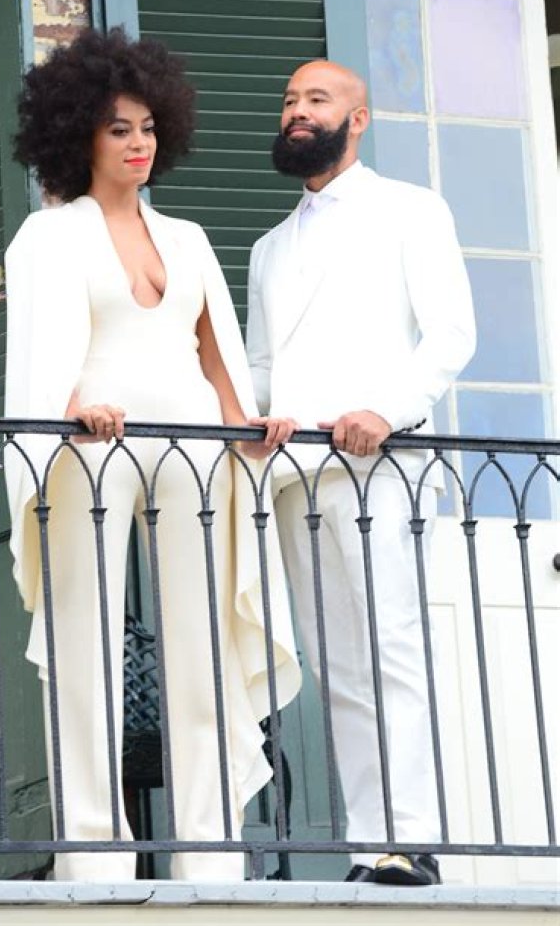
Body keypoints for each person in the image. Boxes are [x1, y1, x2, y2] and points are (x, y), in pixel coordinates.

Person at [3, 27, 301, 882]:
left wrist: (250, 423)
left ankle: (210, 852)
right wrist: (71, 410)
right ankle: (95, 855)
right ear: (79, 136)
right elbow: (40, 359)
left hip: (194, 448)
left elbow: (216, 353)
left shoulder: (191, 237)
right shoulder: (49, 237)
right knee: (85, 649)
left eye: (147, 127)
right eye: (118, 129)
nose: (138, 144)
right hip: (90, 449)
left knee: (202, 649)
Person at [246, 59, 476, 885]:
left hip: (382, 463)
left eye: (317, 99)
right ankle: (369, 844)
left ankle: (413, 839)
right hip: (297, 477)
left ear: (359, 118)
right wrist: (248, 419)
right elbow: (262, 366)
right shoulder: (269, 248)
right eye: (290, 100)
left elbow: (451, 333)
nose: (298, 111)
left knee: (392, 648)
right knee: (339, 667)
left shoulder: (411, 209)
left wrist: (387, 408)